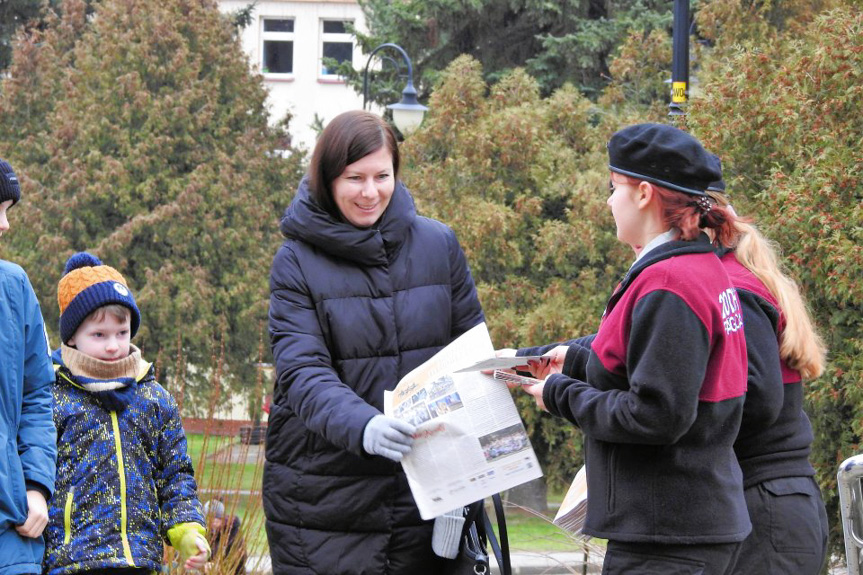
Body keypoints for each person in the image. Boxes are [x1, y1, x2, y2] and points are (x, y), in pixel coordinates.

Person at [514, 124, 751, 574]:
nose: (608, 200)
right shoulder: (695, 267)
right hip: (680, 528)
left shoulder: (670, 283)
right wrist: (576, 360)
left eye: (613, 186)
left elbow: (657, 414)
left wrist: (559, 393)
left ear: (644, 194)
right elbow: (660, 368)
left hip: (670, 536)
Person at [265, 110, 485, 574]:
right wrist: (364, 425)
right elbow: (302, 372)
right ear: (328, 179)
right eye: (354, 178)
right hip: (326, 500)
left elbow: (469, 355)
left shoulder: (439, 245)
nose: (370, 192)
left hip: (425, 495)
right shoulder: (296, 262)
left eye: (381, 176)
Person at [43, 252, 210, 574]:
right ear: (71, 337)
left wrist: (188, 530)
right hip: (72, 561)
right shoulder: (52, 396)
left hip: (141, 560)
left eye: (122, 333)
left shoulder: (154, 399)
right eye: (99, 335)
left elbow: (175, 474)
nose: (113, 346)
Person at [705, 181, 829, 574]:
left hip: (769, 510)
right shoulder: (737, 276)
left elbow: (760, 396)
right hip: (777, 504)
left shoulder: (732, 288)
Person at [0, 159, 57, 574]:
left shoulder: (14, 286)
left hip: (12, 535)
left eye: (8, 210)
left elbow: (38, 393)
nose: (5, 225)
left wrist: (36, 487)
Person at [203, 499, 246, 575]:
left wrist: (219, 567)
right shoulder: (204, 532)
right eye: (209, 521)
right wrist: (203, 565)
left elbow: (240, 558)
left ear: (222, 519)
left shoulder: (233, 532)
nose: (212, 524)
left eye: (215, 521)